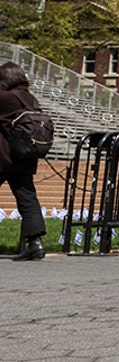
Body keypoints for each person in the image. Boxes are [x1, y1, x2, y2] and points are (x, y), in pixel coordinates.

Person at [0, 62, 46, 261]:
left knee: (26, 198)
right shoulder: (30, 98)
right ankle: (36, 243)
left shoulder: (5, 98)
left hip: (4, 156)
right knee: (27, 199)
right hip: (26, 156)